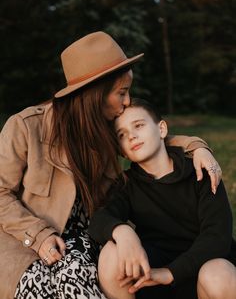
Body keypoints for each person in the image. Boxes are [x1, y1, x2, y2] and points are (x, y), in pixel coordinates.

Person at [0, 32, 222, 299]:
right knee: (39, 286)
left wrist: (197, 147)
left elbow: (150, 138)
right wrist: (39, 236)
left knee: (75, 274)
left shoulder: (106, 129)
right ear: (95, 94)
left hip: (87, 237)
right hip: (25, 240)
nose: (127, 101)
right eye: (122, 93)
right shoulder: (26, 127)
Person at [88, 97, 236, 299]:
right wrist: (122, 231)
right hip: (154, 276)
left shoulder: (199, 171)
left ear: (162, 129)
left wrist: (171, 273)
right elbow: (99, 219)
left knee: (216, 273)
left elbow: (218, 237)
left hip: (203, 269)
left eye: (138, 125)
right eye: (122, 134)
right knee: (111, 253)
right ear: (121, 150)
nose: (131, 136)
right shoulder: (126, 185)